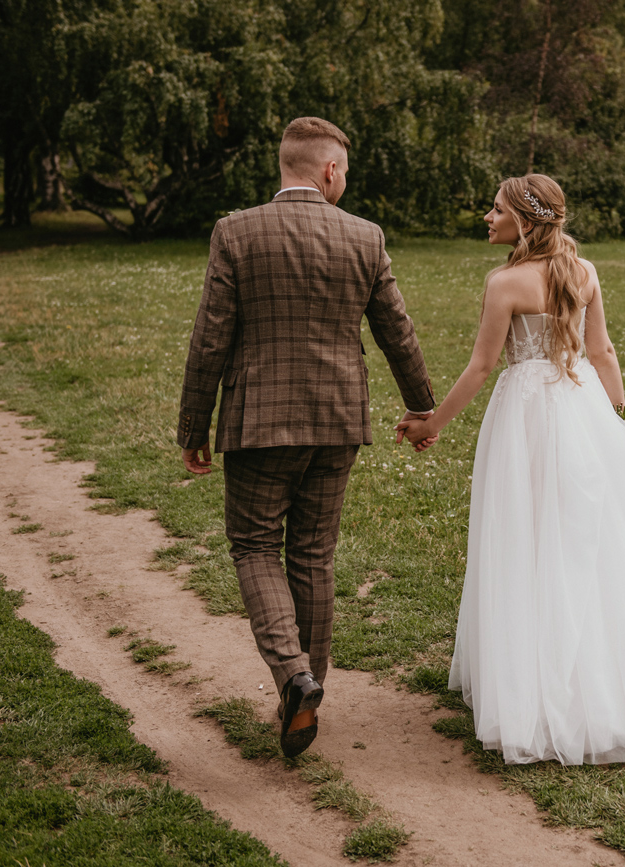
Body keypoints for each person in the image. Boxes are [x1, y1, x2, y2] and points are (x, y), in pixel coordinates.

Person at [395, 174, 625, 770]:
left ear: (525, 220)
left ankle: (533, 689)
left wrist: (433, 421)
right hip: (582, 409)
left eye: (496, 210)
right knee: (587, 544)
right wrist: (620, 423)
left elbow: (483, 366)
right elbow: (603, 353)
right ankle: (592, 679)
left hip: (526, 421)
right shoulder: (583, 271)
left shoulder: (505, 282)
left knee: (525, 538)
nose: (486, 217)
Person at [178, 117, 436, 758]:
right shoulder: (364, 236)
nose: (344, 179)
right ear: (328, 170)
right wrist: (421, 406)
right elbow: (396, 331)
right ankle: (307, 688)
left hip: (258, 421)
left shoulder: (235, 232)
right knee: (313, 556)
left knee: (255, 545)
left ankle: (294, 678)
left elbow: (211, 335)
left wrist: (193, 425)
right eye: (343, 170)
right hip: (338, 419)